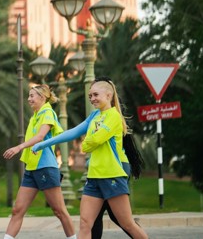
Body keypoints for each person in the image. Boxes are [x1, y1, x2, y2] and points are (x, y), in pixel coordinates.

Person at [32, 76, 144, 239]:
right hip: (93, 176)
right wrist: (43, 143)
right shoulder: (94, 117)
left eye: (95, 95)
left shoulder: (113, 116)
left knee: (126, 223)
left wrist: (88, 140)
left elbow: (91, 142)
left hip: (112, 174)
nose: (92, 99)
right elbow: (74, 133)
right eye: (90, 96)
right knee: (85, 223)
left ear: (108, 95)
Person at [1, 84, 76, 239]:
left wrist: (18, 147)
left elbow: (40, 137)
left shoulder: (47, 112)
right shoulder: (35, 115)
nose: (29, 99)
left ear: (42, 97)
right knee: (17, 210)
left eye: (32, 96)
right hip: (32, 168)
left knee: (59, 211)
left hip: (46, 167)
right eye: (28, 96)